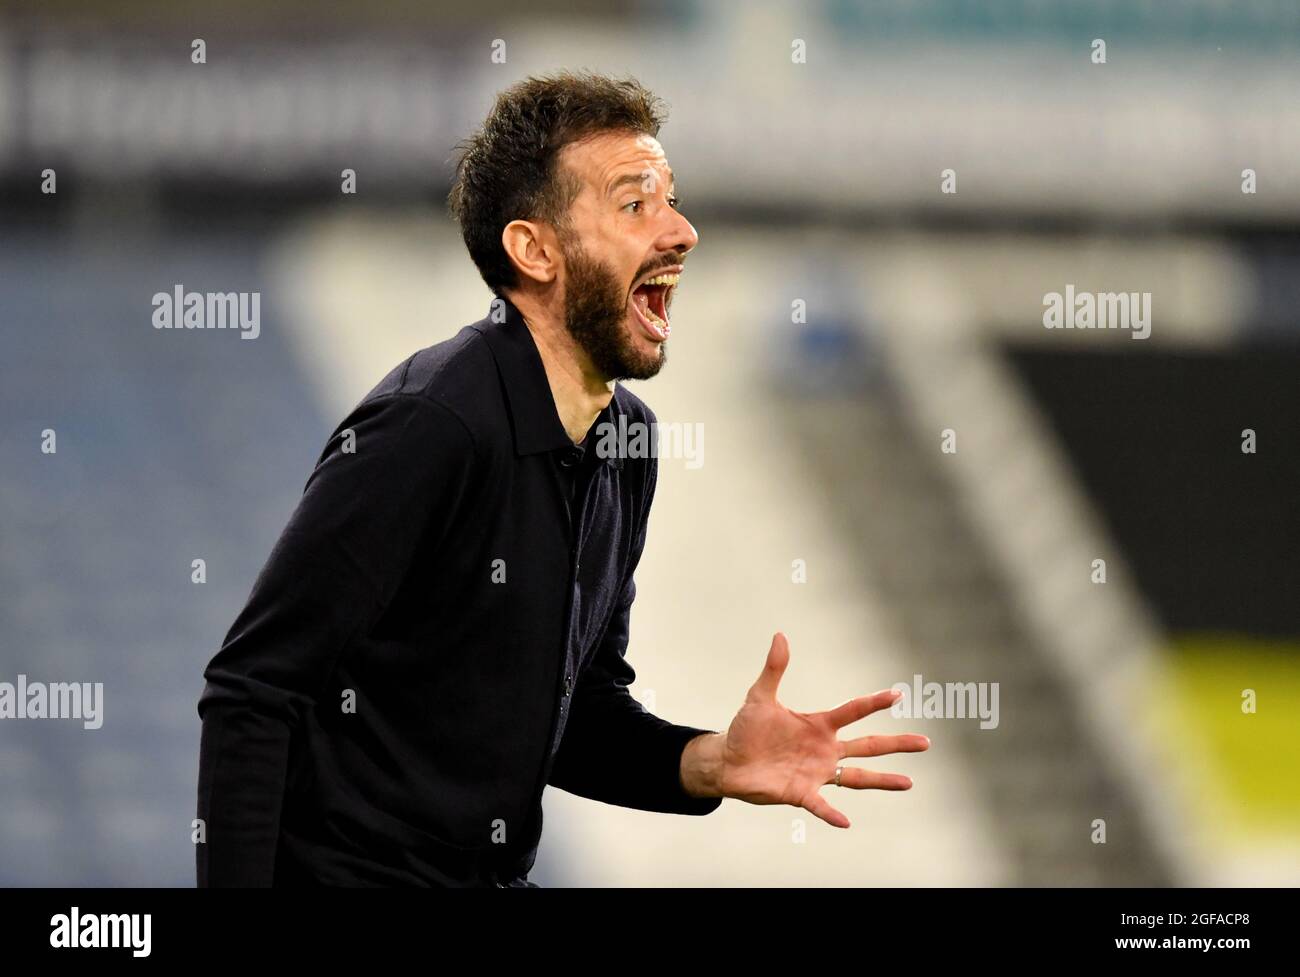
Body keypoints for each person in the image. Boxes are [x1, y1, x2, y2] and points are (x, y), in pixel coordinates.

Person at [195, 71, 930, 888]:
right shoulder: (429, 427)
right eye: (634, 205)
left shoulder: (627, 444)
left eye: (672, 199)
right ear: (534, 250)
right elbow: (253, 689)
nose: (682, 231)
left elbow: (574, 716)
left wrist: (711, 761)